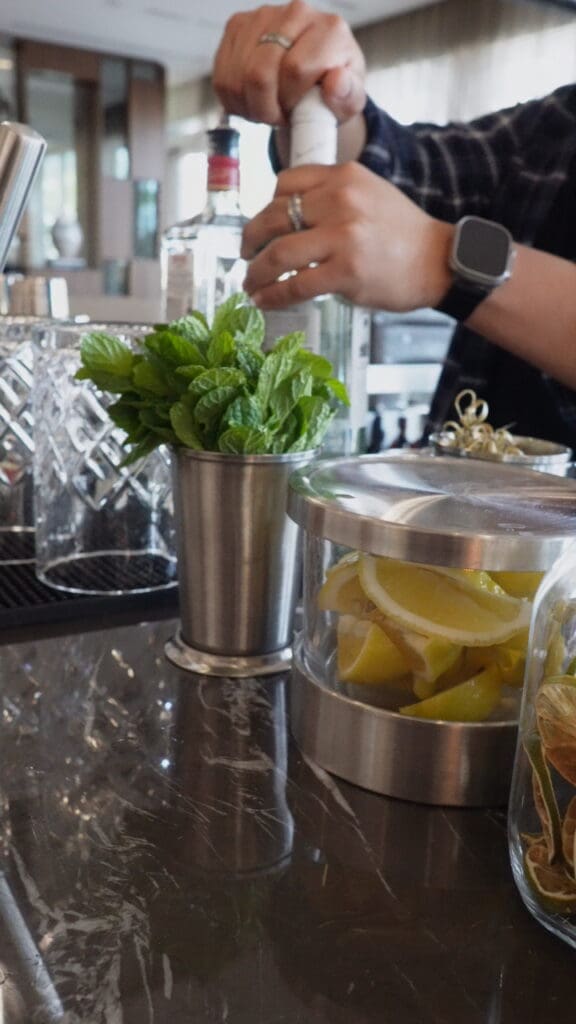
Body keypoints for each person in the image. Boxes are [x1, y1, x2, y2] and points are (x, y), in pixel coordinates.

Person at [213, 0, 576, 450]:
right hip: (457, 507)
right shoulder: (558, 126)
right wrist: (321, 89)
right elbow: (408, 168)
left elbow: (413, 230)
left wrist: (437, 258)